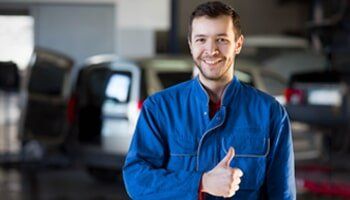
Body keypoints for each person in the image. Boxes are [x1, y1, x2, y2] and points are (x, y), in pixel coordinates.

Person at [123, 1, 296, 199]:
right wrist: (201, 182)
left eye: (221, 39)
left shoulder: (270, 113)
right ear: (190, 44)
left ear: (238, 44)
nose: (211, 50)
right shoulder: (160, 108)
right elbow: (137, 179)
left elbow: (283, 194)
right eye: (201, 39)